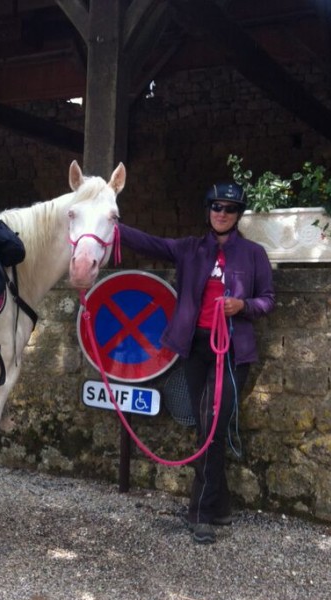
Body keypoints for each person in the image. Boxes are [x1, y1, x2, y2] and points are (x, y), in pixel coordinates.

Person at [118, 182, 275, 544]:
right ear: (208, 211)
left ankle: (201, 511)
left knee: (211, 428)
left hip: (232, 351)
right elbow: (150, 244)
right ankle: (220, 506)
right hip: (195, 349)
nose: (222, 213)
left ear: (238, 216)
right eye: (216, 207)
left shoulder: (253, 254)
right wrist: (111, 225)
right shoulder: (189, 249)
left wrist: (244, 306)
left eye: (230, 209)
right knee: (205, 429)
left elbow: (268, 299)